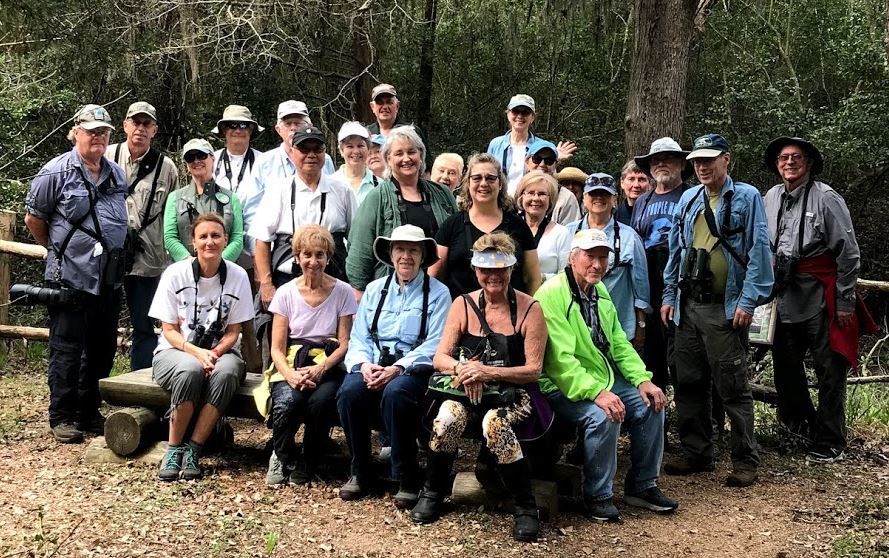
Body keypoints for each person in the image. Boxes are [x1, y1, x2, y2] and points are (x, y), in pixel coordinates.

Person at [411, 232, 548, 542]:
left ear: (511, 269)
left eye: (500, 269)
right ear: (475, 270)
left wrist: (486, 372)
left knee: (495, 423)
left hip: (514, 394)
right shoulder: (463, 304)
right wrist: (464, 369)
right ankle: (433, 489)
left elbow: (534, 370)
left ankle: (525, 506)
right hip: (466, 389)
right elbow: (440, 357)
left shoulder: (530, 309)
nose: (493, 276)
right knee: (447, 416)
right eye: (486, 269)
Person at [535, 228, 677, 522]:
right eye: (590, 257)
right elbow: (559, 361)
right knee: (604, 414)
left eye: (603, 258)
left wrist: (642, 379)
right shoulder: (551, 294)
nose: (597, 265)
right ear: (573, 258)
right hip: (562, 384)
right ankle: (597, 495)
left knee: (653, 403)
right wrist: (596, 392)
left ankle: (642, 485)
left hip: (600, 377)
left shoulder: (599, 291)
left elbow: (619, 343)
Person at [661, 134, 774, 487]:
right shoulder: (690, 198)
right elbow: (676, 251)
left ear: (727, 159)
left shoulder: (747, 196)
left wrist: (748, 300)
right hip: (688, 305)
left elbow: (758, 250)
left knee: (732, 385)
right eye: (697, 161)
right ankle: (698, 452)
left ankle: (745, 459)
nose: (702, 166)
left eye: (709, 159)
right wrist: (668, 296)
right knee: (688, 381)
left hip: (725, 309)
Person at [763, 136, 875, 461]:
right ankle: (799, 429)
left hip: (820, 292)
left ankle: (830, 440)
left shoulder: (827, 199)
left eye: (796, 157)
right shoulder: (769, 198)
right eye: (783, 157)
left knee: (829, 367)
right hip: (783, 294)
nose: (789, 162)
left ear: (809, 162)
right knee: (785, 367)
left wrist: (844, 301)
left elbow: (849, 254)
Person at [24, 104, 127, 443]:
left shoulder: (116, 173)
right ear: (75, 133)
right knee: (67, 348)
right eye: (92, 131)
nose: (98, 137)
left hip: (107, 277)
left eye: (104, 132)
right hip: (69, 275)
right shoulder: (55, 171)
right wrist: (58, 251)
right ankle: (63, 414)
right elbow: (34, 219)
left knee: (101, 348)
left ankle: (88, 409)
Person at [337, 225, 451, 507]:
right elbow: (359, 337)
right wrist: (364, 365)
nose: (406, 257)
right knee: (349, 391)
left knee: (396, 393)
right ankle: (360, 470)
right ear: (390, 254)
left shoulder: (438, 293)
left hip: (414, 370)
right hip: (374, 365)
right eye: (400, 249)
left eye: (413, 250)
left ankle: (406, 475)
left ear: (423, 255)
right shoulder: (375, 291)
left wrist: (398, 368)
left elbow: (436, 344)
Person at [150, 213, 254, 481]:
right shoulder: (174, 274)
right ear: (193, 242)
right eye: (203, 236)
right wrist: (197, 353)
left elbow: (234, 331)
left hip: (222, 352)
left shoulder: (238, 275)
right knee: (190, 370)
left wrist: (215, 353)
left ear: (226, 240)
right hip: (175, 351)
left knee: (228, 372)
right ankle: (173, 449)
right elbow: (169, 330)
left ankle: (194, 448)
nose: (210, 242)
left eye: (216, 236)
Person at [265, 225, 357, 486]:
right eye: (307, 255)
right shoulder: (285, 293)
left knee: (321, 400)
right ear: (297, 257)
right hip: (293, 359)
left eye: (320, 255)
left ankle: (309, 459)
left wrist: (321, 369)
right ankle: (280, 455)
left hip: (327, 362)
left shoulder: (343, 291)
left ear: (328, 257)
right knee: (289, 400)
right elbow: (276, 348)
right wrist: (291, 375)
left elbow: (344, 343)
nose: (313, 262)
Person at [106, 101, 180, 370]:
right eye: (135, 122)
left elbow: (172, 214)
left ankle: (142, 384)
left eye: (146, 123)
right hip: (107, 254)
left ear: (154, 130)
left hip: (148, 257)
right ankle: (95, 383)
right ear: (125, 125)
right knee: (101, 321)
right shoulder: (106, 154)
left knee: (144, 324)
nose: (140, 128)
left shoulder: (166, 167)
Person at [251, 124, 356, 303]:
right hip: (286, 282)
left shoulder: (342, 190)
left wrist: (355, 285)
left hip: (333, 281)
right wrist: (266, 285)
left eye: (317, 149)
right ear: (291, 152)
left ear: (325, 152)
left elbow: (357, 239)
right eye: (304, 149)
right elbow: (262, 240)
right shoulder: (278, 190)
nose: (311, 154)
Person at [346, 127, 457, 295]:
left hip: (440, 293)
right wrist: (360, 296)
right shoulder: (376, 198)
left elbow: (455, 238)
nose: (406, 159)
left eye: (411, 152)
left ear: (421, 155)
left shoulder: (442, 194)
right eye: (399, 153)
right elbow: (359, 253)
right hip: (392, 294)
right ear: (388, 159)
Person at [430, 153, 541, 297]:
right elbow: (434, 277)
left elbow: (532, 279)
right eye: (476, 178)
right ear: (468, 183)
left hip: (511, 314)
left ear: (500, 184)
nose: (483, 183)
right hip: (461, 315)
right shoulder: (451, 225)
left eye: (490, 178)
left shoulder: (518, 226)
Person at [631, 137, 693, 390]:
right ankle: (658, 420)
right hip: (649, 283)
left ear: (680, 162)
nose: (662, 164)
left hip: (681, 283)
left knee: (681, 355)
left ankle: (699, 418)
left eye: (668, 158)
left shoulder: (691, 196)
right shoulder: (642, 201)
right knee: (651, 355)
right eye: (656, 160)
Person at [567, 175, 651, 349]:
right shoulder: (567, 232)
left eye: (605, 194)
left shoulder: (630, 237)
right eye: (593, 194)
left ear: (614, 199)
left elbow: (641, 286)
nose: (599, 198)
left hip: (620, 326)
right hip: (575, 327)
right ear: (584, 198)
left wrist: (641, 325)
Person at [163, 139, 243, 262]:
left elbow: (237, 239)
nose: (196, 161)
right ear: (187, 165)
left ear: (213, 158)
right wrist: (191, 263)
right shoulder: (174, 198)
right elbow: (169, 237)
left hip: (224, 270)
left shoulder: (232, 198)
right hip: (185, 271)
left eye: (201, 155)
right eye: (190, 158)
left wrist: (217, 263)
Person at [210, 105, 265, 273]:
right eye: (231, 125)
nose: (237, 130)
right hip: (217, 244)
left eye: (243, 125)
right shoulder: (211, 159)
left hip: (253, 248)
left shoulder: (264, 162)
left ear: (251, 130)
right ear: (224, 130)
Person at [485, 94, 577, 194]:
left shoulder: (544, 147)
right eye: (515, 111)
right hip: (500, 202)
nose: (520, 116)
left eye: (525, 112)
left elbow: (550, 180)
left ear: (532, 117)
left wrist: (555, 159)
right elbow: (487, 174)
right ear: (508, 115)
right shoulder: (496, 144)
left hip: (530, 202)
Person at [253, 101, 336, 201]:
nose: (293, 128)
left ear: (309, 126)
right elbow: (253, 207)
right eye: (288, 124)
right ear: (278, 130)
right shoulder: (264, 162)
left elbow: (333, 196)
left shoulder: (324, 160)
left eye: (298, 123)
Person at [514, 171, 571, 280]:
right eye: (530, 193)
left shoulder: (561, 234)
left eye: (542, 194)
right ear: (521, 197)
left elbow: (565, 277)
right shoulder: (510, 228)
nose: (535, 198)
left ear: (551, 200)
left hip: (545, 295)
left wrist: (541, 277)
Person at [366, 83, 433, 171]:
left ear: (397, 106)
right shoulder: (366, 133)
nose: (385, 107)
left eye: (389, 102)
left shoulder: (411, 132)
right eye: (380, 103)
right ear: (372, 107)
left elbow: (426, 167)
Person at [524, 141, 581, 225]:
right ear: (527, 162)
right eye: (537, 159)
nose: (542, 164)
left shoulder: (567, 198)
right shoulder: (516, 192)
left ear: (556, 164)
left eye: (549, 160)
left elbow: (569, 233)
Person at [332, 121, 377, 207]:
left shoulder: (380, 185)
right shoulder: (330, 184)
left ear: (368, 149)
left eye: (360, 146)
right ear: (341, 151)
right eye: (350, 146)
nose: (356, 151)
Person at [615, 161, 651, 225]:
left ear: (650, 184)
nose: (636, 185)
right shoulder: (613, 216)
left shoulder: (655, 214)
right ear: (622, 182)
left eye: (641, 179)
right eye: (631, 179)